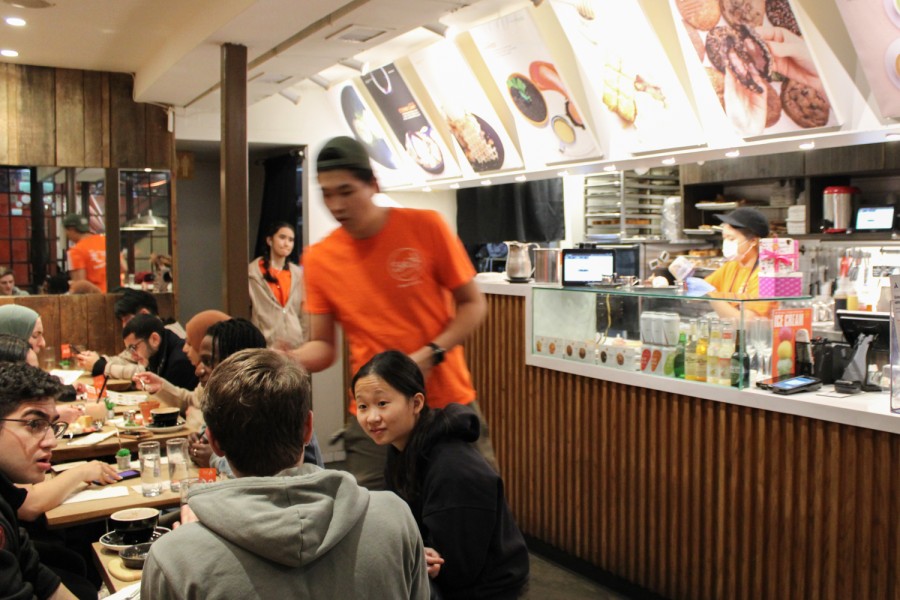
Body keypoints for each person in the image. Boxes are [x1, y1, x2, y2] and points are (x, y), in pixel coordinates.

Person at [289, 136, 493, 490]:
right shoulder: (320, 259)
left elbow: (473, 304)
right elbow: (323, 346)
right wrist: (287, 359)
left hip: (444, 403)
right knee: (373, 525)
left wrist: (430, 355)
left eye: (346, 191)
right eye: (326, 193)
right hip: (373, 415)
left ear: (373, 185)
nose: (336, 205)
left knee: (477, 514)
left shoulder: (426, 227)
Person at [142, 349, 429, 599]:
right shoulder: (396, 519)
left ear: (214, 443)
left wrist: (188, 541)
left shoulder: (173, 559)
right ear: (308, 428)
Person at [352, 351, 529, 600]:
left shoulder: (453, 469)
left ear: (416, 403)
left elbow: (455, 569)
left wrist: (411, 556)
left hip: (485, 589)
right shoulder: (400, 447)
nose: (372, 417)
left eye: (382, 404)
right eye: (363, 406)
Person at [0, 362, 84, 599]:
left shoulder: (6, 496)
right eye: (34, 424)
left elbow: (38, 575)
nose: (51, 442)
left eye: (51, 425)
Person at [132, 310, 229, 430]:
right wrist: (161, 386)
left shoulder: (231, 384)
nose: (184, 349)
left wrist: (194, 417)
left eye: (190, 343)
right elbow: (192, 400)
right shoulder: (211, 375)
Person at [76, 289, 186, 379]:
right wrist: (98, 360)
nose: (124, 326)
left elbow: (143, 371)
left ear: (144, 314)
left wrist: (102, 367)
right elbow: (127, 358)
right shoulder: (148, 336)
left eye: (127, 319)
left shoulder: (170, 335)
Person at [705, 207, 772, 320]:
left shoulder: (767, 275)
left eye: (731, 239)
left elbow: (747, 322)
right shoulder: (731, 266)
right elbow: (700, 290)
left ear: (753, 241)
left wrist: (711, 295)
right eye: (724, 238)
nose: (726, 244)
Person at [248, 221, 306, 349]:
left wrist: (305, 340)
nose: (286, 243)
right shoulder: (253, 273)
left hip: (295, 345)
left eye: (291, 240)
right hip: (266, 344)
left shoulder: (297, 274)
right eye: (282, 237)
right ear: (270, 240)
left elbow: (303, 312)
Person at [122, 314, 198, 391]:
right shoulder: (155, 353)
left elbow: (172, 401)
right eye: (129, 350)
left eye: (133, 348)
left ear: (154, 339)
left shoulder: (179, 362)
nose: (133, 356)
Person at [62, 214, 107, 293]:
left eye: (66, 231)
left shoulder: (75, 251)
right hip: (117, 295)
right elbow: (123, 267)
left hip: (95, 298)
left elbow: (80, 285)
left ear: (71, 230)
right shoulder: (105, 241)